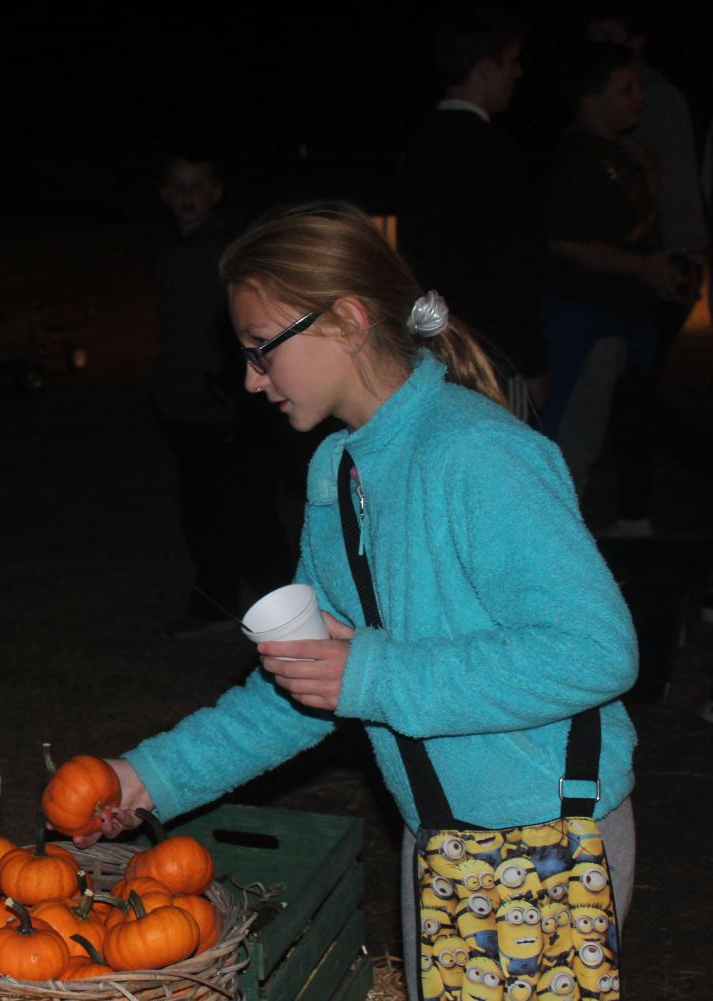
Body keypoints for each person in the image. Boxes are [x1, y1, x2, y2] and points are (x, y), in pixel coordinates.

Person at [80, 203, 638, 1000]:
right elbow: (305, 687)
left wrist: (371, 676)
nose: (249, 378)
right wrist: (145, 778)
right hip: (441, 839)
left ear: (343, 320)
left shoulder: (476, 455)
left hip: (545, 841)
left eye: (260, 351)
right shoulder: (336, 474)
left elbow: (593, 649)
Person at [152, 150, 291, 636]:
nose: (188, 196)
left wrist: (235, 390)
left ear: (216, 190)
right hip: (183, 406)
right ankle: (215, 602)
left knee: (250, 512)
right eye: (178, 186)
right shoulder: (170, 250)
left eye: (198, 185)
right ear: (165, 194)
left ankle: (291, 612)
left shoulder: (230, 251)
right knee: (201, 512)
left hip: (231, 408)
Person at [539, 41, 685, 496]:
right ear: (591, 100)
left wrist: (653, 181)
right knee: (572, 436)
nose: (639, 98)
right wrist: (641, 267)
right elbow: (564, 240)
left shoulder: (622, 155)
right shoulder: (576, 157)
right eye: (625, 88)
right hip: (584, 322)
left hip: (613, 320)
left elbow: (637, 228)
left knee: (592, 432)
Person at [397, 7, 546, 421]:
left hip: (433, 348)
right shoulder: (494, 152)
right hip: (492, 354)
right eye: (512, 62)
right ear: (485, 68)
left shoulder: (419, 145)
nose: (518, 74)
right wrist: (531, 363)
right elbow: (513, 265)